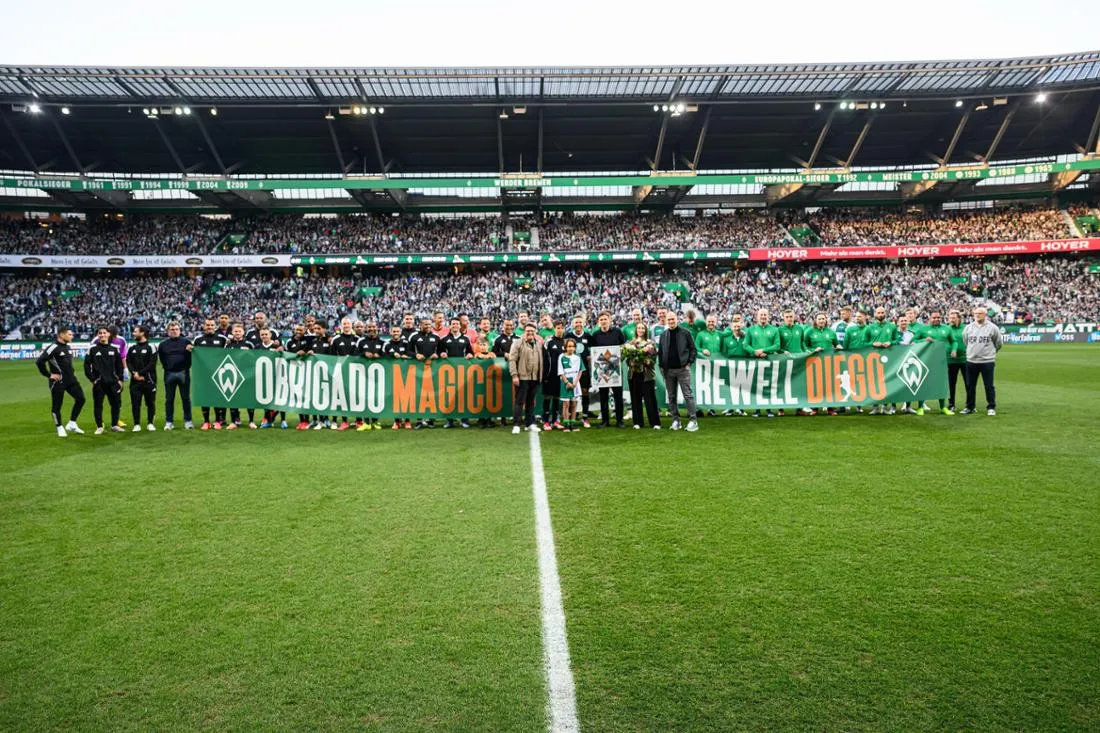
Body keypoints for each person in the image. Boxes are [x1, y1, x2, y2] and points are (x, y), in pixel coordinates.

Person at [36, 326, 85, 437]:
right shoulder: (53, 347)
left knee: (81, 399)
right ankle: (59, 427)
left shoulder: (67, 347)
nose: (72, 336)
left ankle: (72, 423)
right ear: (62, 335)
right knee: (57, 406)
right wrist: (49, 375)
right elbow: (39, 362)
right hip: (58, 382)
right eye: (70, 334)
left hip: (71, 380)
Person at [657, 312, 698, 432]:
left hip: (682, 369)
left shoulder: (685, 333)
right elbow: (660, 352)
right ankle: (676, 420)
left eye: (672, 319)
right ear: (666, 320)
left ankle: (693, 420)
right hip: (668, 371)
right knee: (671, 396)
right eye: (668, 319)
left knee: (688, 395)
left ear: (677, 319)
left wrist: (689, 363)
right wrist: (662, 366)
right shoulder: (664, 335)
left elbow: (693, 349)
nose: (670, 321)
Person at [962, 307, 1002, 416]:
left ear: (985, 315)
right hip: (971, 361)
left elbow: (998, 343)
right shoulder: (968, 328)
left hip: (987, 361)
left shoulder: (993, 328)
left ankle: (991, 407)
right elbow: (966, 341)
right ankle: (970, 407)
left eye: (980, 313)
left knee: (989, 385)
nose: (977, 315)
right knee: (970, 385)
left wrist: (990, 354)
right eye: (976, 313)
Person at [85, 325, 125, 435]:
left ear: (108, 334)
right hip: (99, 383)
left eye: (104, 333)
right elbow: (86, 366)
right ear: (97, 336)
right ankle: (99, 426)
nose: (102, 335)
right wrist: (93, 379)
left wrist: (120, 379)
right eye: (100, 333)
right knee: (98, 405)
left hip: (113, 382)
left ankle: (114, 425)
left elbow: (119, 366)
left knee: (116, 404)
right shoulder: (92, 349)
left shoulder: (114, 349)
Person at [591, 311, 626, 428]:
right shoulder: (595, 335)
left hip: (615, 370)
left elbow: (623, 346)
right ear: (598, 322)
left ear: (609, 320)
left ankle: (620, 420)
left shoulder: (617, 332)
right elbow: (594, 353)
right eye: (601, 320)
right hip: (602, 371)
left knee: (618, 396)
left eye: (605, 319)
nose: (603, 321)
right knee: (603, 396)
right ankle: (605, 421)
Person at [192, 318, 228, 430]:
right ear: (204, 326)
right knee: (205, 397)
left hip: (218, 373)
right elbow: (193, 353)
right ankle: (206, 421)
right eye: (207, 325)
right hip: (203, 374)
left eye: (212, 325)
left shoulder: (222, 339)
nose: (210, 327)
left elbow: (228, 354)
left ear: (215, 326)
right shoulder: (198, 339)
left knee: (217, 397)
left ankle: (218, 421)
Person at [508, 323, 544, 434]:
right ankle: (516, 424)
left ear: (535, 332)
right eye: (528, 331)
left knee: (530, 402)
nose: (530, 333)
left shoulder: (538, 344)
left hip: (535, 377)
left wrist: (540, 376)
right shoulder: (517, 343)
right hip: (522, 377)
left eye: (532, 331)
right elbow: (512, 360)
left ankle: (529, 424)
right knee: (520, 401)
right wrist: (514, 375)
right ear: (524, 332)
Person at [438, 318, 474, 429]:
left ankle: (464, 420)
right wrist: (441, 354)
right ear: (450, 326)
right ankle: (450, 420)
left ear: (460, 326)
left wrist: (470, 355)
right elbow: (439, 352)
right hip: (448, 372)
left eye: (457, 324)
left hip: (462, 371)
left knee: (463, 396)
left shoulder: (466, 339)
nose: (455, 325)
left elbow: (470, 353)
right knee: (449, 396)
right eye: (453, 324)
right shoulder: (444, 339)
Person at [744, 308, 780, 418]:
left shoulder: (774, 330)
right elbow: (745, 345)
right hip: (755, 361)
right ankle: (757, 409)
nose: (763, 317)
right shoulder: (750, 330)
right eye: (761, 315)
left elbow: (777, 345)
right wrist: (755, 352)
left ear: (768, 316)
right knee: (756, 385)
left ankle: (769, 409)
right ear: (757, 316)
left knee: (768, 385)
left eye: (765, 315)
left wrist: (764, 350)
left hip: (769, 360)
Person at [158, 321, 193, 430]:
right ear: (168, 331)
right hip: (169, 373)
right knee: (169, 399)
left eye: (177, 329)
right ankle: (169, 422)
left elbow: (191, 357)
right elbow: (162, 359)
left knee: (186, 398)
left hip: (184, 373)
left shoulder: (186, 342)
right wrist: (168, 367)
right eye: (172, 329)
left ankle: (188, 421)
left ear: (180, 330)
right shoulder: (163, 344)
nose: (175, 331)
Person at [329, 318, 362, 431]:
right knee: (342, 396)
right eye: (344, 324)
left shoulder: (358, 339)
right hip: (341, 372)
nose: (346, 325)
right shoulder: (336, 339)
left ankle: (358, 420)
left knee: (357, 395)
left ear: (351, 325)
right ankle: (344, 421)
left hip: (356, 372)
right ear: (341, 326)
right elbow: (331, 356)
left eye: (348, 323)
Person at [626, 322, 661, 429]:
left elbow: (653, 359)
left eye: (643, 328)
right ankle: (637, 422)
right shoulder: (631, 343)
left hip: (647, 375)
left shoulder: (651, 343)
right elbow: (628, 360)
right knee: (635, 399)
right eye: (639, 328)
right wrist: (632, 362)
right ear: (636, 330)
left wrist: (645, 360)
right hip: (634, 374)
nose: (640, 330)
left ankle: (655, 422)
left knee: (650, 399)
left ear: (646, 330)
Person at [408, 319, 441, 429]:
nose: (428, 326)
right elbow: (408, 351)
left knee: (432, 394)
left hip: (433, 369)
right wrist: (415, 355)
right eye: (425, 324)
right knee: (419, 394)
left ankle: (430, 420)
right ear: (420, 325)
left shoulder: (436, 337)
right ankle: (419, 420)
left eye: (429, 324)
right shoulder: (414, 336)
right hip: (418, 369)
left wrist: (438, 355)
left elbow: (441, 351)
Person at [923, 311, 956, 416]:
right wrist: (924, 340)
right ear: (930, 318)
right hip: (927, 360)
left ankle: (943, 407)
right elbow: (914, 341)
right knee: (924, 383)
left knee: (941, 384)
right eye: (934, 317)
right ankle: (920, 407)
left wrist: (954, 350)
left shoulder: (947, 328)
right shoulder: (923, 329)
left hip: (942, 361)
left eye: (938, 317)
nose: (936, 319)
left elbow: (953, 341)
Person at [126, 325, 158, 431]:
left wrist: (140, 373)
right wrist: (134, 373)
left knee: (150, 402)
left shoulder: (151, 347)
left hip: (149, 380)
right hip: (135, 381)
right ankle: (136, 424)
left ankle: (150, 423)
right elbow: (128, 362)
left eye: (135, 332)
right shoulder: (132, 348)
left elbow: (152, 364)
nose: (133, 334)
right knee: (135, 403)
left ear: (142, 333)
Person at [224, 324, 255, 430]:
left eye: (239, 331)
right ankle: (233, 422)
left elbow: (257, 357)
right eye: (235, 331)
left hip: (247, 374)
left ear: (243, 332)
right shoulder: (228, 345)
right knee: (233, 398)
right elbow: (223, 358)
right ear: (232, 333)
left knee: (249, 398)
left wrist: (249, 354)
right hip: (233, 374)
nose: (237, 333)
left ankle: (251, 421)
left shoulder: (249, 344)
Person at [383, 325, 414, 430]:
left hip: (406, 373)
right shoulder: (387, 344)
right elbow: (383, 357)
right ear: (390, 332)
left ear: (401, 332)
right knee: (395, 398)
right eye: (394, 331)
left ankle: (407, 420)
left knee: (406, 397)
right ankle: (396, 421)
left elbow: (411, 354)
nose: (395, 333)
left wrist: (407, 356)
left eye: (397, 331)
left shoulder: (406, 343)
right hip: (392, 374)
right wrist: (392, 355)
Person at [357, 322, 386, 431]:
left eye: (373, 327)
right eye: (369, 327)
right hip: (363, 374)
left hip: (378, 375)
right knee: (364, 398)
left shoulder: (382, 342)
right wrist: (363, 354)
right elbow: (354, 355)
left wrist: (380, 355)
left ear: (377, 328)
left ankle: (375, 421)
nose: (371, 329)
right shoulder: (361, 341)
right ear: (366, 329)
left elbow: (387, 356)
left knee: (376, 398)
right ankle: (366, 422)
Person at [566, 315, 594, 428]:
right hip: (571, 370)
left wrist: (590, 356)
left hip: (584, 370)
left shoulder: (588, 336)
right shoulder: (568, 336)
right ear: (573, 324)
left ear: (584, 324)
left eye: (580, 322)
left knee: (585, 391)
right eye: (576, 322)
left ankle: (585, 417)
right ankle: (569, 417)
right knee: (570, 393)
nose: (578, 324)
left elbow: (594, 351)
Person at [256, 329, 286, 429]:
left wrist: (283, 350)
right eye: (262, 334)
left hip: (278, 376)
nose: (264, 336)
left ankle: (283, 420)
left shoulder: (277, 346)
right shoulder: (257, 347)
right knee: (267, 400)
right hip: (264, 377)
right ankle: (269, 421)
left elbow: (286, 356)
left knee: (280, 399)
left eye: (266, 334)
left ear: (270, 335)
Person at [541, 321, 566, 431]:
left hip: (560, 376)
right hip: (549, 375)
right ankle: (546, 421)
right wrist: (544, 375)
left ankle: (555, 420)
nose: (559, 330)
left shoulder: (565, 342)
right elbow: (544, 359)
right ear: (554, 329)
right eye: (557, 328)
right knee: (547, 397)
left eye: (561, 328)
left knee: (557, 398)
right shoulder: (549, 342)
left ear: (564, 329)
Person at [558, 338, 585, 432]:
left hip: (575, 383)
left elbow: (580, 371)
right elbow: (561, 372)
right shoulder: (561, 356)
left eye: (573, 346)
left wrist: (575, 383)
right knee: (566, 404)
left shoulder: (577, 357)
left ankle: (572, 424)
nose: (571, 348)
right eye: (569, 346)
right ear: (565, 347)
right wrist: (567, 382)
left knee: (574, 403)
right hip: (565, 383)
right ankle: (566, 424)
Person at [946, 309, 967, 413]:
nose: (951, 320)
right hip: (951, 361)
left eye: (953, 318)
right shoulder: (947, 329)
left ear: (959, 318)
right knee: (951, 384)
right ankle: (951, 404)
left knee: (968, 383)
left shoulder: (967, 328)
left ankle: (970, 405)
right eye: (950, 318)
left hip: (965, 360)